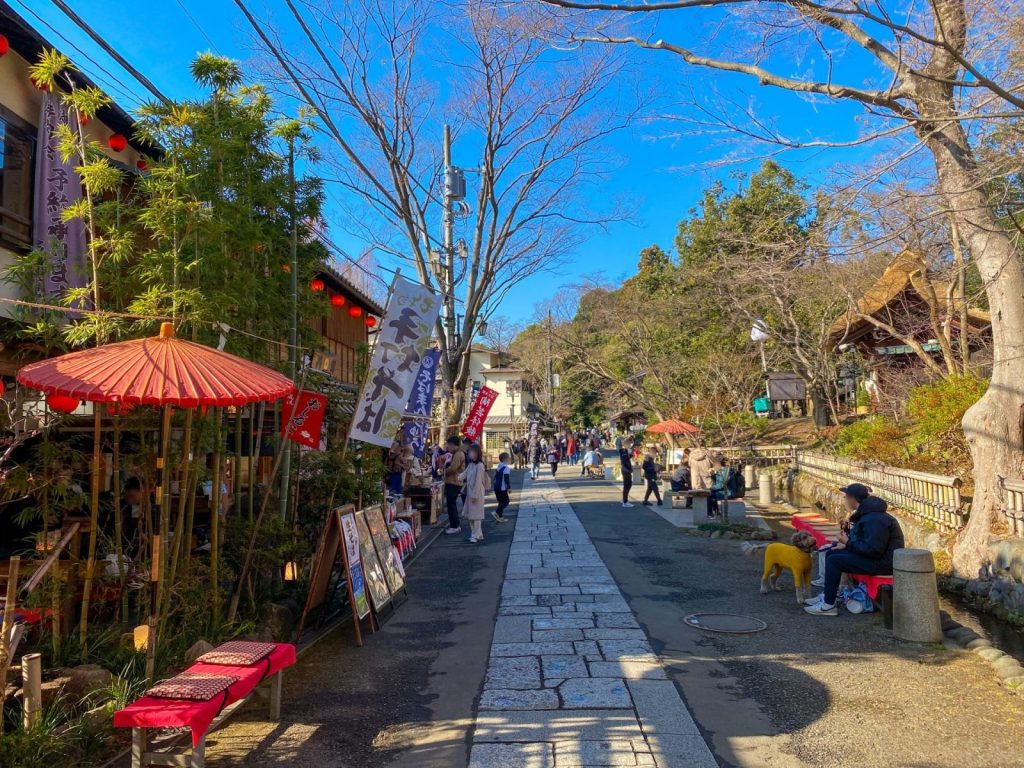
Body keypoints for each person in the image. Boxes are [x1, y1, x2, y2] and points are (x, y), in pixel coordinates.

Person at [805, 483, 905, 616]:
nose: (844, 500)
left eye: (846, 497)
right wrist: (846, 543)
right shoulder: (869, 515)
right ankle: (830, 595)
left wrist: (847, 542)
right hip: (878, 559)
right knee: (832, 553)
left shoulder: (875, 518)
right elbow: (865, 543)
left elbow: (874, 550)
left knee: (835, 560)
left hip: (884, 563)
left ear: (853, 499)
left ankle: (828, 605)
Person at [460, 443, 488, 543]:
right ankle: (478, 534)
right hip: (470, 492)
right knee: (471, 515)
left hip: (477, 493)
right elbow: (464, 474)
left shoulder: (480, 466)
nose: (470, 454)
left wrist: (475, 495)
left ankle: (475, 535)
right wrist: (456, 477)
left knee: (476, 516)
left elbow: (478, 481)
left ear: (477, 453)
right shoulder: (471, 464)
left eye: (472, 452)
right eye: (470, 452)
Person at [443, 436, 465, 535]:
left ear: (452, 444)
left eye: (448, 444)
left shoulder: (458, 454)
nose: (447, 446)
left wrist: (443, 472)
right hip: (454, 481)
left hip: (454, 481)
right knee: (451, 504)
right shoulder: (457, 453)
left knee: (451, 504)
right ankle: (455, 525)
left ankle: (455, 526)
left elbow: (453, 468)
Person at [492, 451, 512, 523]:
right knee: (506, 501)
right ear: (505, 459)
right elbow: (506, 478)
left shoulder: (499, 466)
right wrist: (509, 487)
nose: (509, 460)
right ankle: (497, 512)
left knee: (501, 502)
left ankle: (500, 517)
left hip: (496, 487)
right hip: (502, 488)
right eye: (508, 458)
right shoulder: (506, 468)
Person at [619, 438, 635, 508]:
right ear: (625, 445)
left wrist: (631, 454)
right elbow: (624, 460)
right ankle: (625, 502)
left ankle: (624, 500)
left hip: (627, 469)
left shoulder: (625, 451)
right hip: (625, 470)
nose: (629, 445)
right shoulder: (623, 451)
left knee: (629, 484)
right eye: (628, 444)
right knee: (627, 485)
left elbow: (627, 458)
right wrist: (629, 454)